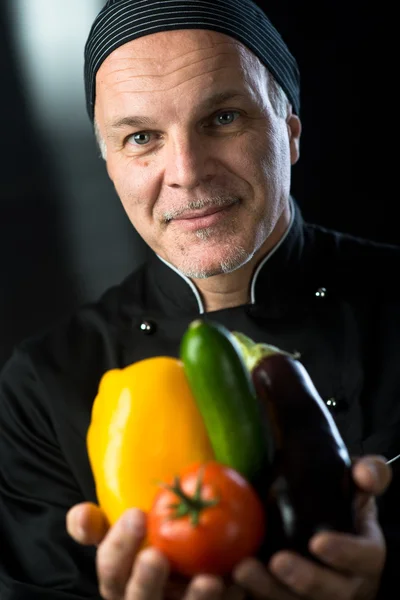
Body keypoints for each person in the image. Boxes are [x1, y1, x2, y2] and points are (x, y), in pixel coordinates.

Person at [0, 0, 399, 598]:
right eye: (141, 137)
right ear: (109, 163)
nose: (186, 171)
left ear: (289, 129)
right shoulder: (44, 384)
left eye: (223, 118)